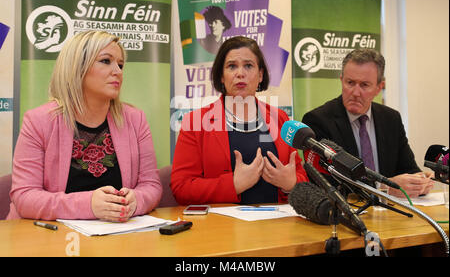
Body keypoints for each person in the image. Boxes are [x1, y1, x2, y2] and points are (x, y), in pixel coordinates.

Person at [7, 30, 162, 221]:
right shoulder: (38, 121)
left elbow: (151, 185)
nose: (118, 71)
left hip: (117, 237)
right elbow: (25, 197)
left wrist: (137, 200)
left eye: (120, 64)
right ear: (77, 67)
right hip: (49, 239)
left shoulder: (135, 119)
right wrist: (89, 205)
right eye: (106, 61)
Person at [171, 36, 308, 205]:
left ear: (260, 75)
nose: (240, 73)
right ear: (221, 76)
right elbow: (181, 188)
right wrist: (233, 184)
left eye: (248, 66)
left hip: (276, 225)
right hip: (222, 228)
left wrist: (290, 184)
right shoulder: (196, 122)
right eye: (232, 66)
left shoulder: (280, 118)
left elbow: (302, 176)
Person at [302, 48, 434, 198]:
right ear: (341, 80)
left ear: (379, 87)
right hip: (348, 214)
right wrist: (384, 188)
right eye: (350, 83)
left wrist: (419, 182)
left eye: (364, 85)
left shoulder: (391, 119)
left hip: (391, 214)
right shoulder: (318, 120)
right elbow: (326, 184)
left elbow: (408, 169)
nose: (356, 92)